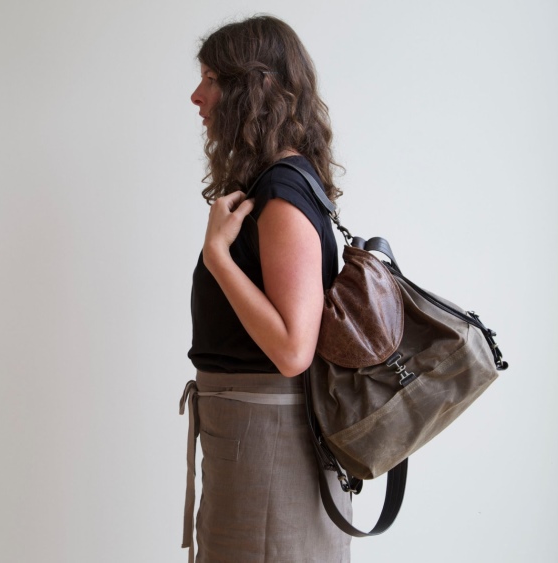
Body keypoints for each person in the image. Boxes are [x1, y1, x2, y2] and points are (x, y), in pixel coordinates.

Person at [180, 15, 352, 562]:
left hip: (267, 444)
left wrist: (217, 257)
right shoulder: (275, 184)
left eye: (212, 80)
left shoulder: (281, 193)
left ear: (254, 88)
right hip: (253, 438)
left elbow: (293, 349)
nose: (197, 96)